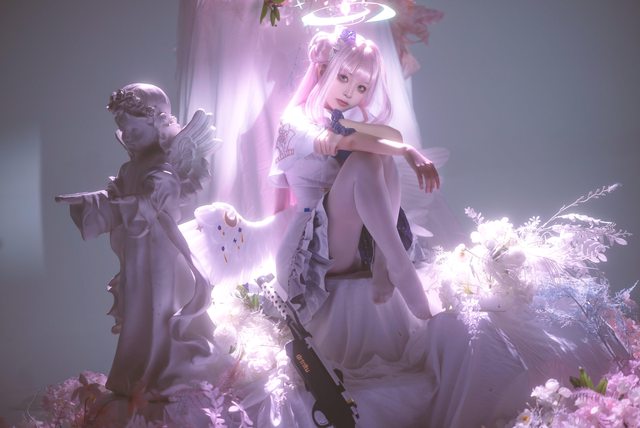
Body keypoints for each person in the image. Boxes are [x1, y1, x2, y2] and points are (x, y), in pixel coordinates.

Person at [56, 83, 226, 400]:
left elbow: (150, 203)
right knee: (138, 309)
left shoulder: (165, 167)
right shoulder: (129, 168)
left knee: (161, 307)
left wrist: (120, 204)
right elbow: (117, 198)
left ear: (157, 124)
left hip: (162, 253)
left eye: (134, 129)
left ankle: (163, 371)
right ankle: (136, 372)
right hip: (137, 253)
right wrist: (90, 200)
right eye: (124, 130)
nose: (127, 136)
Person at [270, 28, 438, 322]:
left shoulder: (348, 118)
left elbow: (390, 136)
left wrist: (400, 146)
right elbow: (347, 143)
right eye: (343, 77)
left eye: (361, 87)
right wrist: (407, 151)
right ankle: (399, 265)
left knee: (378, 157)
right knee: (364, 158)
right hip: (315, 248)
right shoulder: (296, 120)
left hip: (354, 242)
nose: (349, 93)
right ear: (322, 70)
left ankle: (384, 258)